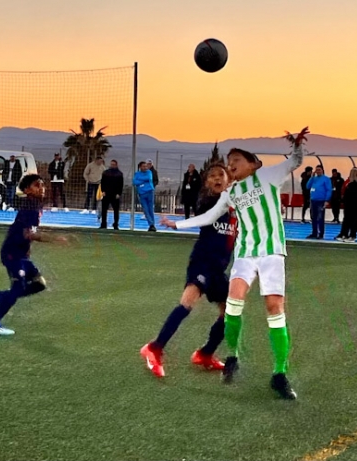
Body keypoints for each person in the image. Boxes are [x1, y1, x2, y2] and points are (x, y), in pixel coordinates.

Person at [161, 127, 310, 400]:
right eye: (229, 162)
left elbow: (295, 162)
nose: (231, 165)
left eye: (237, 160)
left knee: (274, 308)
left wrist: (297, 146)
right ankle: (233, 357)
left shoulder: (267, 176)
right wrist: (177, 223)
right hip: (245, 254)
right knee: (233, 301)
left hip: (272, 253)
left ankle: (279, 373)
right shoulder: (231, 193)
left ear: (253, 164)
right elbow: (208, 218)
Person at [141, 164, 235, 377]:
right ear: (207, 182)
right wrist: (177, 224)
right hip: (202, 262)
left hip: (219, 268)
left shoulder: (235, 207)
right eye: (212, 176)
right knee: (187, 303)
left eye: (221, 175)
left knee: (229, 312)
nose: (217, 178)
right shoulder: (208, 202)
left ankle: (205, 354)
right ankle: (154, 348)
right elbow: (206, 214)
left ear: (229, 179)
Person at [0, 174, 69, 335]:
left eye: (43, 185)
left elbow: (29, 232)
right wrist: (56, 239)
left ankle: (0, 296)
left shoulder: (35, 205)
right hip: (12, 252)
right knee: (18, 288)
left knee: (40, 284)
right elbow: (29, 234)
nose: (42, 188)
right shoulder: (30, 206)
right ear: (27, 190)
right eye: (37, 185)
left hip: (20, 253)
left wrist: (27, 249)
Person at [335, 168, 357, 242]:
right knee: (349, 219)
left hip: (352, 204)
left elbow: (348, 194)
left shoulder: (353, 183)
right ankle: (346, 234)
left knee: (350, 220)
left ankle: (351, 235)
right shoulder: (354, 183)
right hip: (352, 204)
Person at [306, 165, 332, 239]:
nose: (318, 171)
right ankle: (314, 233)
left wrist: (327, 200)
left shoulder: (326, 179)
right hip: (313, 200)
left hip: (321, 201)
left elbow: (328, 190)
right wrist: (311, 177)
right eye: (316, 170)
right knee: (313, 217)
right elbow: (307, 186)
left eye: (319, 170)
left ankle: (321, 233)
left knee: (320, 218)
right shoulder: (314, 179)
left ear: (322, 170)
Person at [99, 159, 123, 230]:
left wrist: (119, 193)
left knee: (116, 210)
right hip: (106, 194)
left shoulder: (119, 174)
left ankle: (115, 224)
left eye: (113, 164)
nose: (112, 165)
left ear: (116, 165)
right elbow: (102, 182)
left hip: (115, 194)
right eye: (111, 164)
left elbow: (121, 185)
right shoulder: (105, 173)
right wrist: (103, 191)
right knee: (104, 210)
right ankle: (103, 224)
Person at [133, 161, 156, 231]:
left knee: (150, 209)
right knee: (145, 209)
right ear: (140, 167)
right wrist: (142, 181)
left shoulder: (149, 172)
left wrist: (140, 180)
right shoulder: (137, 174)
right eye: (143, 166)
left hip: (149, 192)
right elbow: (134, 182)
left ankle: (152, 224)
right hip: (142, 193)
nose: (145, 167)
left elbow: (148, 178)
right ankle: (151, 223)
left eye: (146, 166)